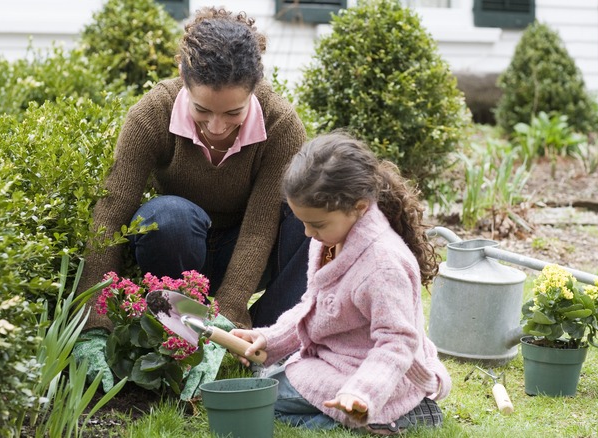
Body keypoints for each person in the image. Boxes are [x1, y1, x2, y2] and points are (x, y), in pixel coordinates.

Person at [73, 7, 310, 399]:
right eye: (202, 110)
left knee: (308, 223)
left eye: (233, 113)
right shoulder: (151, 114)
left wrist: (229, 313)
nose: (216, 127)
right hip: (180, 250)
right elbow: (111, 211)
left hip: (245, 250)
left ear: (255, 88)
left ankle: (261, 342)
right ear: (184, 80)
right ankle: (181, 325)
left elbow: (260, 226)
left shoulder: (282, 125)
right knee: (164, 217)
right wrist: (93, 320)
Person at [232, 132, 452, 435]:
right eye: (303, 223)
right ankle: (360, 417)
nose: (308, 233)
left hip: (380, 376)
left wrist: (363, 391)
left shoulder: (382, 265)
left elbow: (397, 342)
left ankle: (403, 413)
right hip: (336, 361)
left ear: (359, 207)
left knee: (267, 400)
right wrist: (270, 340)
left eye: (317, 224)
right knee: (267, 393)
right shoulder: (331, 238)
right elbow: (314, 303)